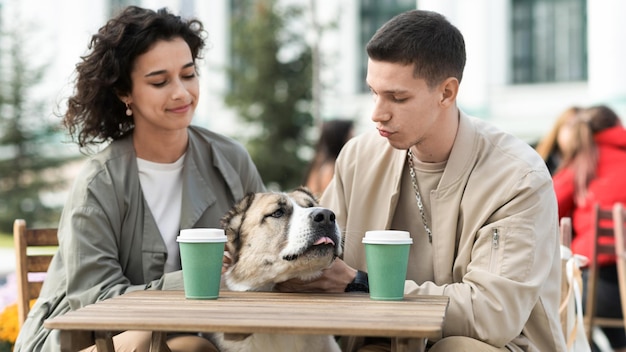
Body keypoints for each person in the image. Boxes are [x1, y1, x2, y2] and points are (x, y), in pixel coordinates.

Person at [277, 9, 567, 351]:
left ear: (446, 93)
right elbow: (318, 263)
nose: (377, 113)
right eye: (373, 92)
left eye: (397, 98)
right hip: (381, 340)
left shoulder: (517, 176)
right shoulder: (359, 157)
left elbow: (492, 315)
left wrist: (360, 284)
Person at [14, 6, 265, 352]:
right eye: (160, 81)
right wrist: (197, 282)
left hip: (202, 334)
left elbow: (269, 251)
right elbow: (95, 301)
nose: (181, 93)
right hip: (83, 338)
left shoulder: (231, 160)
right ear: (124, 93)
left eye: (189, 75)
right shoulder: (98, 183)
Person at [552, 105, 626, 352]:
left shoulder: (583, 162)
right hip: (618, 292)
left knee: (561, 295)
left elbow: (546, 207)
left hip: (597, 291)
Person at [303, 119, 354, 196]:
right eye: (350, 136)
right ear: (340, 138)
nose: (353, 141)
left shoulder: (318, 163)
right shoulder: (330, 169)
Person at [535, 106, 581, 174]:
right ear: (558, 128)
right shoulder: (534, 154)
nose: (574, 132)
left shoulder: (588, 163)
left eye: (580, 127)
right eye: (570, 125)